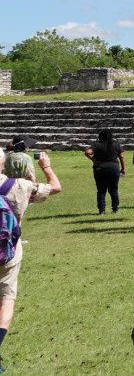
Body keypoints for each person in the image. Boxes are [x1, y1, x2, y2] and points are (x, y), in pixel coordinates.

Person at [0, 150, 61, 372]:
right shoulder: (21, 187)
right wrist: (45, 166)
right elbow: (55, 187)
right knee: (7, 297)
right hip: (7, 251)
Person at [84, 128, 125, 215]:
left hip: (100, 169)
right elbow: (121, 157)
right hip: (113, 168)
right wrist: (123, 168)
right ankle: (115, 209)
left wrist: (94, 160)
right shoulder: (116, 144)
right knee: (113, 190)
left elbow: (87, 152)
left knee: (101, 190)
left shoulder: (97, 144)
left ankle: (101, 210)